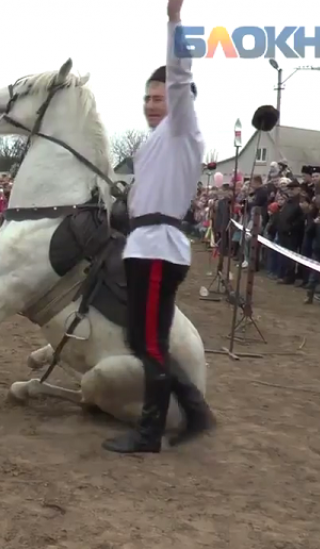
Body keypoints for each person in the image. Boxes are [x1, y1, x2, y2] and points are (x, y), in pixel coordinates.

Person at [102, 0, 215, 455]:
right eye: (146, 98)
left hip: (157, 251)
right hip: (147, 247)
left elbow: (181, 75)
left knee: (145, 341)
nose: (151, 105)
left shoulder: (181, 131)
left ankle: (151, 433)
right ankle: (196, 410)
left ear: (178, 102)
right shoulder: (154, 145)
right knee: (145, 339)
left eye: (158, 97)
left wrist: (173, 21)